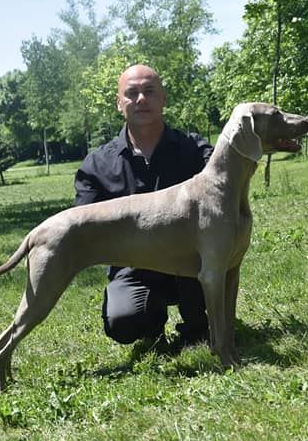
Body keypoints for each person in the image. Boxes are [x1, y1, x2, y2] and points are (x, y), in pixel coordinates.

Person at [73, 64, 213, 349]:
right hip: (133, 267)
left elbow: (225, 187)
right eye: (132, 93)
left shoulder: (196, 152)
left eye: (149, 92)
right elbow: (85, 228)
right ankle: (150, 321)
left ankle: (199, 325)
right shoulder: (97, 165)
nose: (141, 99)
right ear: (119, 103)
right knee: (123, 322)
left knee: (202, 278)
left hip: (191, 263)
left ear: (163, 98)